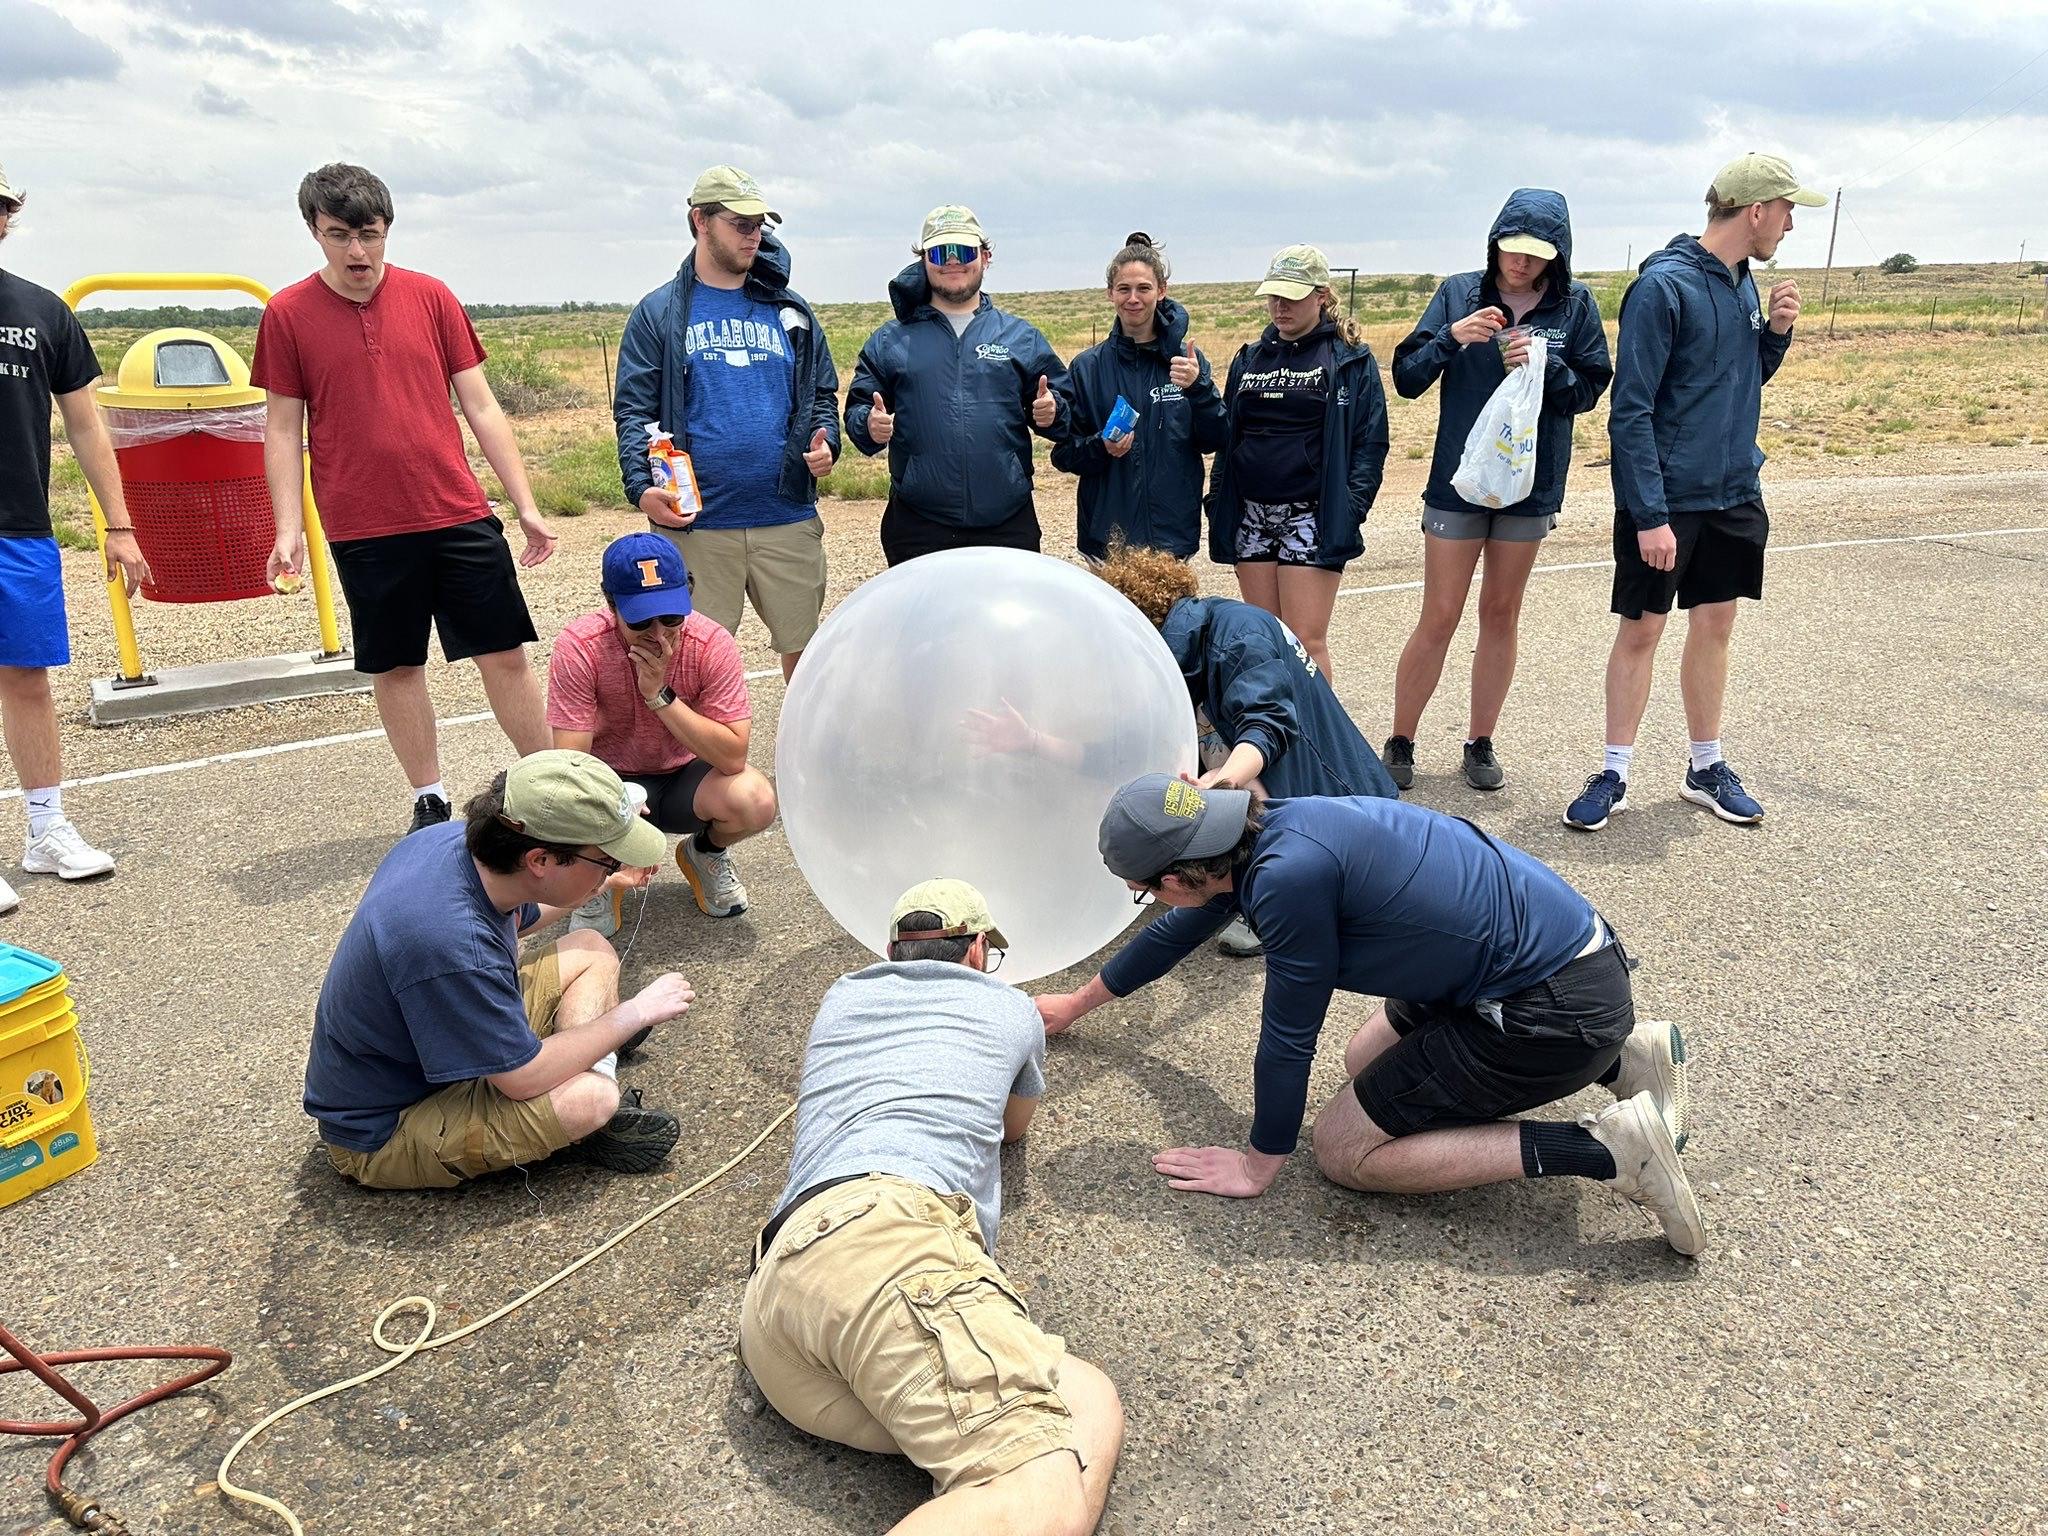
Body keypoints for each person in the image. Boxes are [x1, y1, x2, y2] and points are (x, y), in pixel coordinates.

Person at [1035, 775, 1702, 1255]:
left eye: (1145, 891)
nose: (1151, 904)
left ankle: (1607, 1152)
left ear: (1177, 877)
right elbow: (1170, 938)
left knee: (1344, 1151)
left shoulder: (1288, 880)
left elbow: (1288, 1038)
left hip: (1551, 1009)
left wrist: (1258, 1161)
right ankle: (1624, 1056)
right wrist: (1075, 1005)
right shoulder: (1255, 829)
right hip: (1564, 964)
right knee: (1364, 1062)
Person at [741, 879, 1124, 1534]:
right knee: (1034, 1487)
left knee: (1087, 1404)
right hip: (888, 1242)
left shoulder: (843, 996)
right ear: (978, 950)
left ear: (892, 951)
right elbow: (1013, 1128)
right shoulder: (1011, 1010)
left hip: (783, 1311)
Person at [253, 163, 557, 837]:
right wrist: (286, 528)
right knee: (396, 664)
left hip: (456, 509)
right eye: (339, 235)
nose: (357, 252)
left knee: (504, 651)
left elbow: (479, 402)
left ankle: (549, 782)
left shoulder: (431, 296)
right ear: (314, 231)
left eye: (369, 233)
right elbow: (281, 427)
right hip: (363, 522)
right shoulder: (288, 313)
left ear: (387, 228)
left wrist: (525, 502)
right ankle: (429, 797)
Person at [1565, 153, 1825, 833]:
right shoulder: (1664, 287)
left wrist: (1775, 335)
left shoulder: (1743, 284)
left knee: (1715, 625)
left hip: (1734, 490)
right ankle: (1614, 773)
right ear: (1757, 211)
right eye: (1789, 209)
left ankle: (1705, 768)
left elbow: (1737, 381)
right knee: (1642, 631)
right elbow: (1632, 411)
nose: (1792, 224)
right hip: (1668, 500)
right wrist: (1648, 514)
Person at [305, 751, 694, 1189]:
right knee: (593, 1099)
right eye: (606, 859)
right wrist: (634, 1014)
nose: (614, 867)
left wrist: (604, 880)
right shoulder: (452, 944)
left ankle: (588, 1050)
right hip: (386, 1128)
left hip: (434, 1047)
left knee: (590, 947)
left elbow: (523, 913)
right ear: (541, 860)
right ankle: (589, 1105)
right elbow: (522, 1080)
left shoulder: (457, 845)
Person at [1386, 189, 1613, 793]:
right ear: (1495, 243)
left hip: (1528, 486)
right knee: (1439, 614)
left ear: (1557, 255)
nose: (1521, 264)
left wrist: (1548, 364)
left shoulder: (1576, 305)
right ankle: (1401, 739)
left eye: (1537, 255)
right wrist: (1451, 338)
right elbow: (1407, 378)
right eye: (1513, 250)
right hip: (1458, 486)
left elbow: (1590, 390)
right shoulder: (1459, 292)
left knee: (1500, 613)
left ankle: (1480, 742)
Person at [1081, 541, 1396, 957]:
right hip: (1290, 784)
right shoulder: (1181, 647)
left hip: (1336, 802)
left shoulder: (1237, 635)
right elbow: (1123, 748)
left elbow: (1269, 724)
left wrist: (1225, 780)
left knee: (1245, 777)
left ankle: (1270, 891)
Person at [612, 166, 840, 683]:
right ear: (700, 221)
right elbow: (634, 409)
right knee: (693, 664)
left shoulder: (790, 311)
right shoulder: (660, 313)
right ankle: (701, 764)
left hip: (786, 514)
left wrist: (828, 445)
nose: (754, 234)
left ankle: (806, 759)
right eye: (740, 223)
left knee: (806, 658)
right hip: (698, 525)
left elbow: (821, 395)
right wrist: (642, 488)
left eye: (760, 223)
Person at [0, 164, 152, 913]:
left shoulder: (42, 311)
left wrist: (119, 527)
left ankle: (45, 828)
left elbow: (86, 424)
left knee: (28, 679)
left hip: (20, 528)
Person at [547, 532, 776, 930]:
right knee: (551, 798)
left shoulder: (711, 643)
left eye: (671, 616)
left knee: (755, 800)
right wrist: (616, 816)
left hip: (685, 778)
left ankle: (703, 853)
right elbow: (572, 763)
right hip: (610, 780)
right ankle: (597, 878)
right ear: (610, 603)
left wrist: (658, 696)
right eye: (640, 620)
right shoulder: (580, 646)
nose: (658, 633)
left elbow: (733, 755)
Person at [845, 205, 1070, 566]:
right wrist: (868, 426)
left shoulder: (1019, 337)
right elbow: (858, 411)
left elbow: (1065, 409)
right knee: (924, 623)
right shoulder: (891, 341)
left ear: (985, 257)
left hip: (1008, 522)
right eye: (939, 252)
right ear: (923, 260)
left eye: (963, 251)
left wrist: (1053, 411)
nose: (952, 262)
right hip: (919, 525)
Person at [1205, 244, 1389, 682]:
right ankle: (1276, 739)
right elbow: (1229, 438)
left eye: (1291, 295)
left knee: (1305, 640)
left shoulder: (1349, 360)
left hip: (1312, 514)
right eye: (1273, 296)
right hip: (1252, 513)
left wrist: (1351, 507)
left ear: (1322, 296)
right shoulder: (1251, 357)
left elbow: (1370, 443)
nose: (1280, 306)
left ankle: (1320, 743)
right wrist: (1218, 500)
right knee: (1263, 639)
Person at [1050, 233, 1227, 560]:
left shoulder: (1186, 362)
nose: (1134, 298)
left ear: (1162, 291)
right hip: (1107, 543)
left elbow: (1215, 438)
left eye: (1144, 288)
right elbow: (1063, 455)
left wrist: (1197, 388)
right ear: (1110, 294)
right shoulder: (1087, 368)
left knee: (1173, 615)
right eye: (1124, 289)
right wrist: (1100, 447)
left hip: (1171, 541)